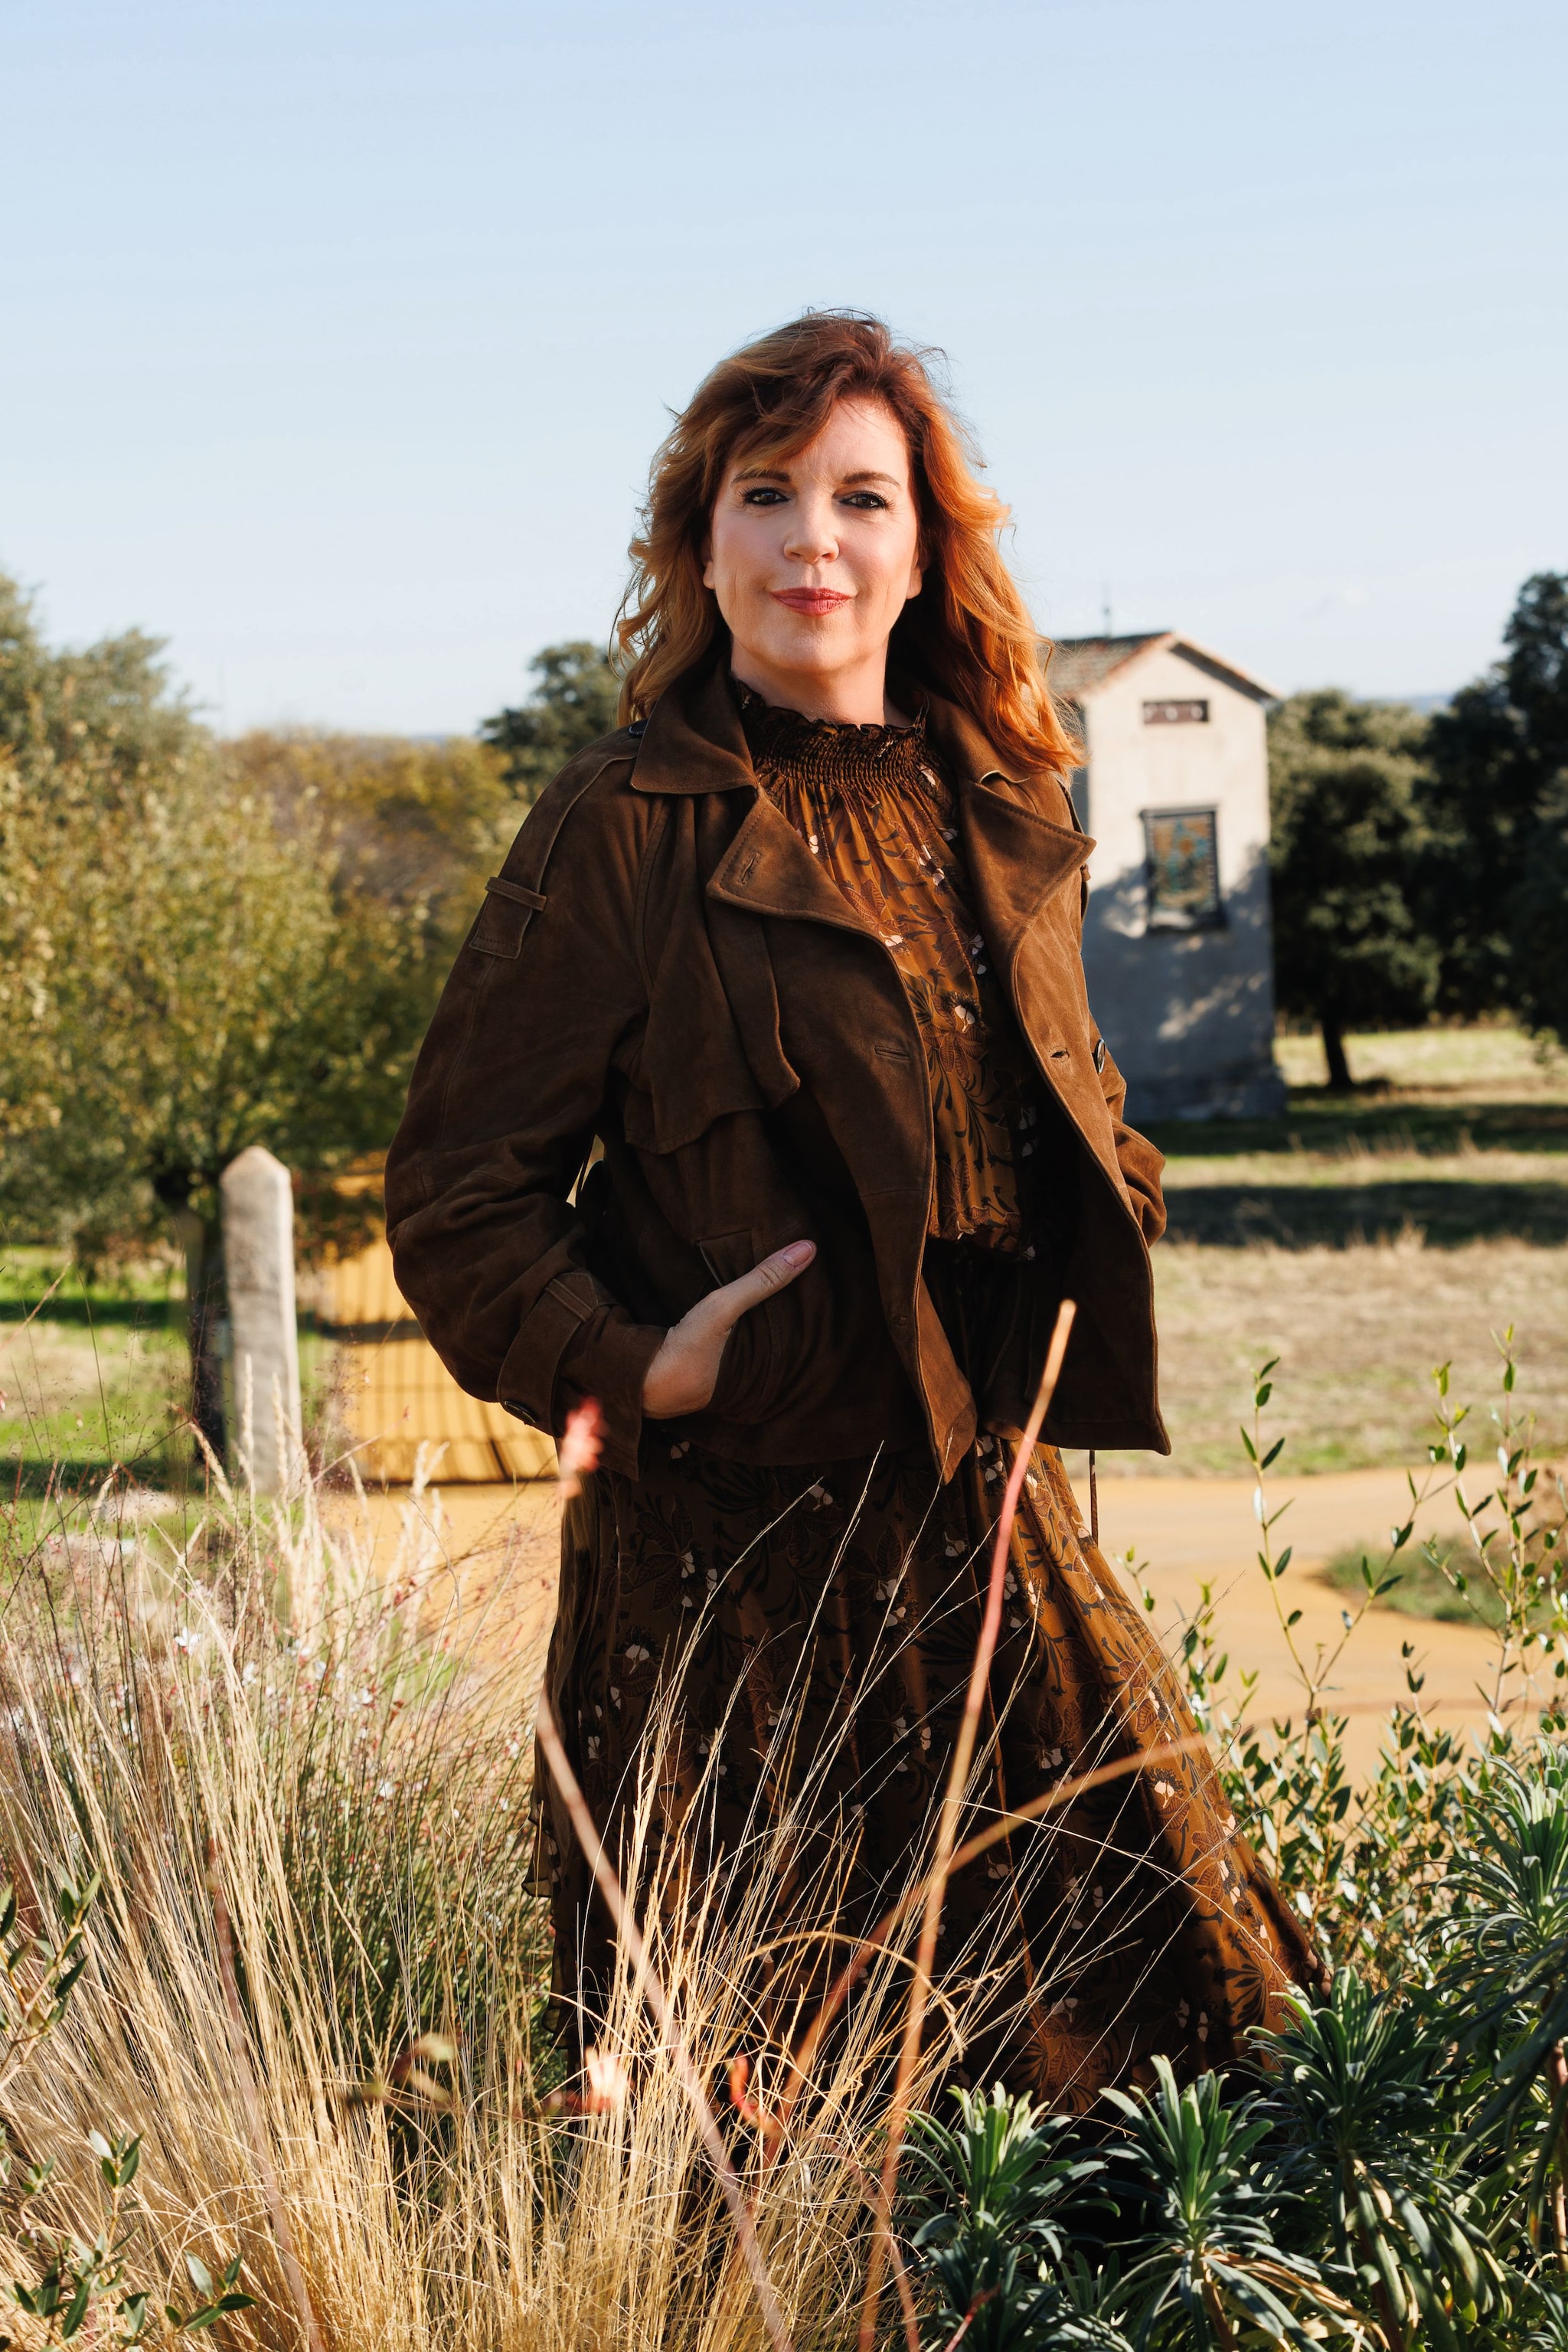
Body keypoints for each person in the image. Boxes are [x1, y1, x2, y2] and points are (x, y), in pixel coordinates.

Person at [385, 312, 1315, 2109]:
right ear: (701, 542)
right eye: (767, 492)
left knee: (1164, 2054)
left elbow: (1055, 1086)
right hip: (728, 1569)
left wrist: (1106, 1199)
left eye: (861, 496)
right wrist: (639, 1370)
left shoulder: (1000, 791)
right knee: (751, 2114)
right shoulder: (622, 827)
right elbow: (457, 1192)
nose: (814, 535)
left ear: (921, 548)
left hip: (992, 1534)